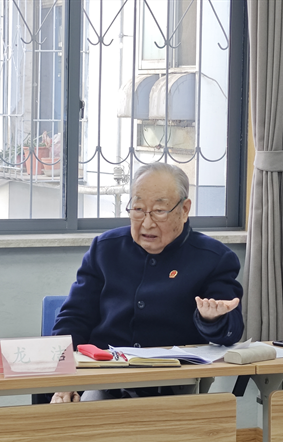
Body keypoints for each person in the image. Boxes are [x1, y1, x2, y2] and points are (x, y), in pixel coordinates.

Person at [51, 162, 243, 402]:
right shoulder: (105, 249)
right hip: (105, 379)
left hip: (174, 385)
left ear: (184, 210)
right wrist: (66, 380)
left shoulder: (214, 258)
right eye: (139, 209)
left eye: (159, 211)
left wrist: (212, 319)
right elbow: (74, 318)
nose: (147, 223)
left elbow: (232, 330)